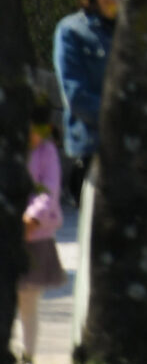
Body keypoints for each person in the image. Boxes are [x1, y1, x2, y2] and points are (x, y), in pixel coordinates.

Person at [52, 0, 115, 196]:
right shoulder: (73, 31)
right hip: (95, 151)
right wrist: (121, 119)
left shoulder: (136, 36)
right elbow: (76, 96)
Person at [19, 89, 65, 359]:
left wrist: (32, 217)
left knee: (28, 304)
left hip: (34, 240)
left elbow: (49, 190)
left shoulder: (47, 153)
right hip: (8, 235)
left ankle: (28, 354)